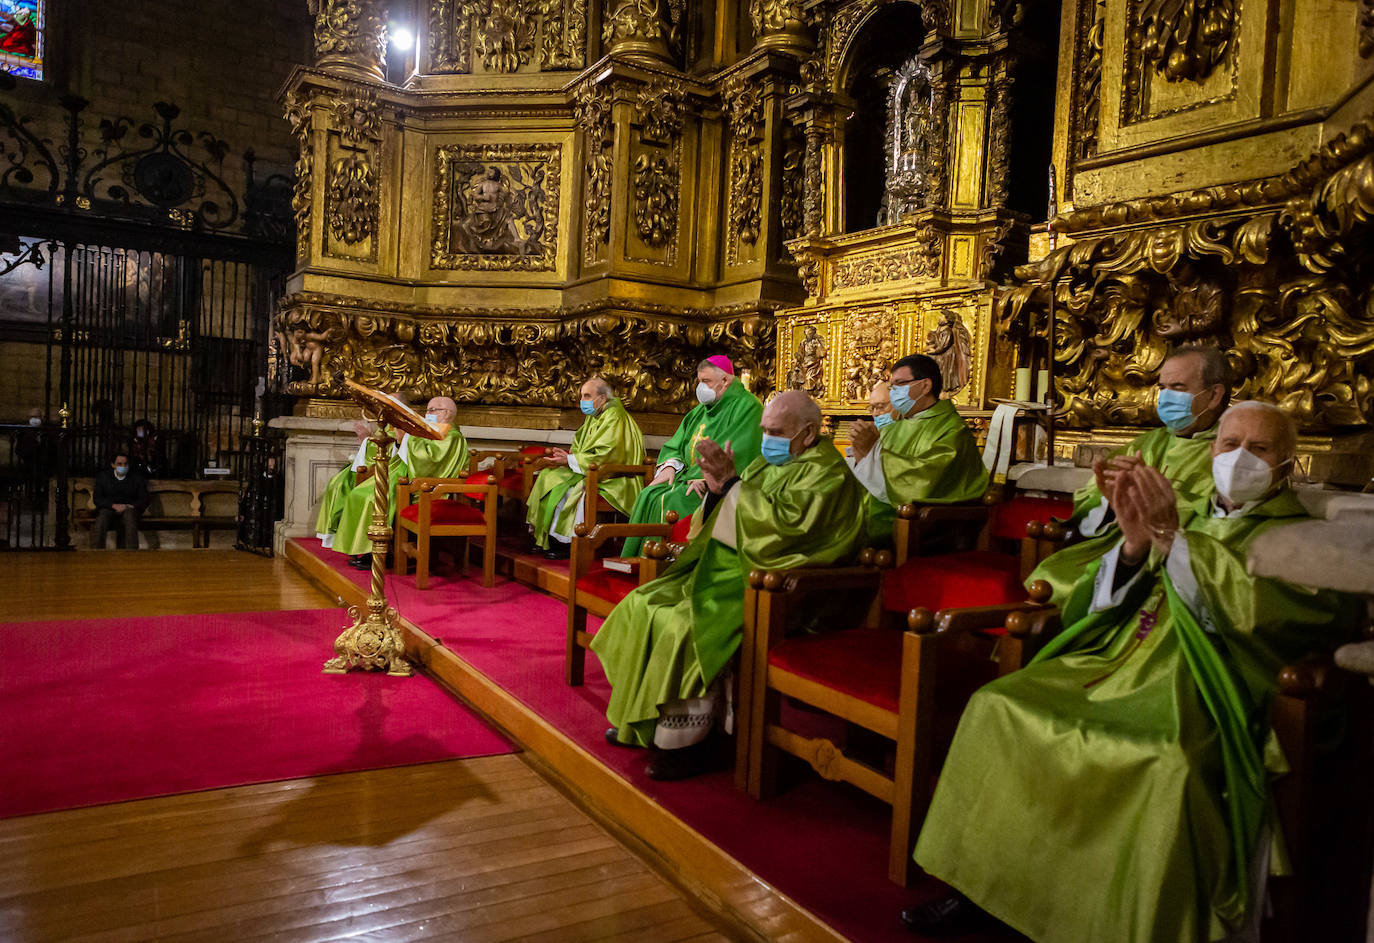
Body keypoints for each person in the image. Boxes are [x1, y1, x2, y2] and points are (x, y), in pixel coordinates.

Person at [904, 402, 1359, 943]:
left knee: (1169, 766)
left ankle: (1131, 925)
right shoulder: (1183, 513)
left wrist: (1171, 540)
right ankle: (980, 885)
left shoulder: (1306, 541)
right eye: (1228, 444)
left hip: (1209, 685)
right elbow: (1102, 598)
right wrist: (1136, 545)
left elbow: (1276, 616)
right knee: (1000, 705)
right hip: (1125, 659)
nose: (1239, 458)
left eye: (1258, 449)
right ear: (1211, 451)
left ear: (1289, 465)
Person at [592, 391, 866, 780]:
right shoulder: (771, 463)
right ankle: (641, 722)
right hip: (736, 571)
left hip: (785, 589)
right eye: (764, 430)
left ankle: (696, 744)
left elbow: (785, 534)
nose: (767, 438)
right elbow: (733, 512)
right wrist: (719, 491)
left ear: (807, 434)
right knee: (644, 603)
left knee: (684, 626)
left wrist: (733, 485)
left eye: (776, 431)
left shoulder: (826, 472)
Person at [1032, 345, 1231, 603]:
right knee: (1053, 577)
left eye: (1178, 388)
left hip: (1184, 564)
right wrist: (1110, 503)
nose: (1165, 398)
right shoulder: (1145, 445)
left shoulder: (1233, 452)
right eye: (1162, 388)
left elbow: (1228, 521)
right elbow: (1089, 502)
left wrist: (1152, 500)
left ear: (1214, 395)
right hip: (1120, 550)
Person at [621, 355, 763, 556]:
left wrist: (698, 478)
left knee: (672, 501)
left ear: (725, 380)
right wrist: (670, 466)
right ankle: (638, 562)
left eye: (706, 382)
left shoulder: (747, 407)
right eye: (699, 381)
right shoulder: (700, 410)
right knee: (648, 494)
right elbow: (677, 444)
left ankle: (663, 563)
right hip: (687, 478)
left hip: (716, 487)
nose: (701, 387)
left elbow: (739, 449)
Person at [847, 353, 989, 545]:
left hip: (920, 526)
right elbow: (866, 466)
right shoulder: (892, 427)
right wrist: (859, 454)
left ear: (925, 386)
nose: (893, 392)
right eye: (892, 386)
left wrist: (871, 452)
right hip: (870, 512)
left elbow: (923, 482)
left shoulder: (952, 430)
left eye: (899, 384)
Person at [327, 396, 470, 569]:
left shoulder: (451, 436)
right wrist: (402, 439)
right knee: (359, 493)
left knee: (373, 498)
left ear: (447, 413)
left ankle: (381, 552)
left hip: (426, 487)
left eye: (433, 410)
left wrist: (407, 437)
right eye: (427, 410)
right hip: (408, 478)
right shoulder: (432, 431)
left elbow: (429, 460)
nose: (427, 414)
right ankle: (369, 550)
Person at [526, 376, 646, 558]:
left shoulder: (615, 417)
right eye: (582, 396)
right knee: (549, 476)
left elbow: (608, 454)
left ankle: (568, 541)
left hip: (615, 478)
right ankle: (543, 535)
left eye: (587, 396)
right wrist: (568, 457)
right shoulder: (597, 414)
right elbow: (583, 446)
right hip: (591, 469)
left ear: (602, 398)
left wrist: (570, 461)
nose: (583, 401)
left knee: (569, 489)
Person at [314, 419, 392, 550]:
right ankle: (341, 537)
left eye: (434, 410)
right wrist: (367, 440)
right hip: (376, 470)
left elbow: (391, 447)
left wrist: (367, 439)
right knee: (337, 484)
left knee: (364, 497)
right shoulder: (388, 424)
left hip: (390, 474)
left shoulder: (406, 427)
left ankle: (367, 547)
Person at [92, 452, 149, 550]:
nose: (123, 466)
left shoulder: (137, 478)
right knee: (101, 518)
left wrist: (129, 506)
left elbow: (144, 499)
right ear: (113, 464)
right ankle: (97, 552)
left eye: (125, 464)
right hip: (109, 507)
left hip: (129, 508)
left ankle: (132, 553)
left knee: (130, 517)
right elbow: (97, 498)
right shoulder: (103, 477)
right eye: (119, 464)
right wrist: (113, 505)